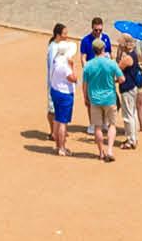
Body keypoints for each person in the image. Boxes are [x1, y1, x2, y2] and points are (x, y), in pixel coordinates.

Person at [81, 39, 121, 162]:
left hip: (95, 99)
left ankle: (101, 152)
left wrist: (85, 98)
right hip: (109, 98)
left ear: (93, 50)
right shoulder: (111, 63)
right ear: (103, 49)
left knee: (97, 127)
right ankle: (109, 150)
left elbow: (85, 85)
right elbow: (122, 78)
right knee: (112, 125)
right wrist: (114, 82)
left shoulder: (88, 65)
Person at [46, 23, 81, 156]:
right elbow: (73, 78)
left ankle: (57, 144)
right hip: (64, 93)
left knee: (57, 119)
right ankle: (62, 147)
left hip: (55, 90)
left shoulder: (56, 59)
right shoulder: (64, 64)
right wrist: (72, 67)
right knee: (62, 122)